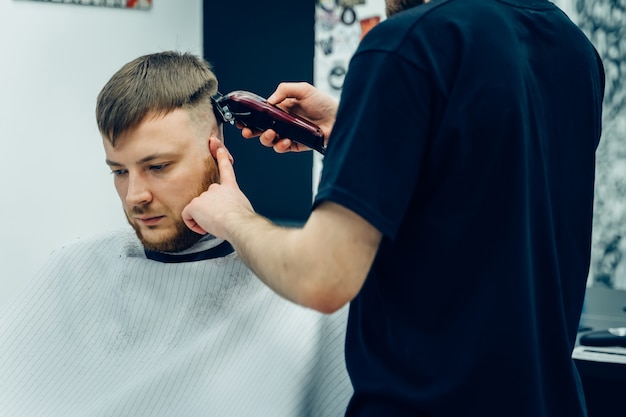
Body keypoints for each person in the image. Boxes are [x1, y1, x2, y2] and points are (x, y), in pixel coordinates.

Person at [181, 0, 606, 416]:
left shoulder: (408, 43)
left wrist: (232, 214)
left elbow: (320, 277)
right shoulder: (573, 47)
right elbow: (482, 194)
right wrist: (357, 131)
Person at [0, 51, 352, 417]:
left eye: (158, 166)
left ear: (217, 151)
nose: (135, 195)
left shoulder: (308, 298)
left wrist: (344, 135)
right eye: (119, 172)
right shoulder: (70, 269)